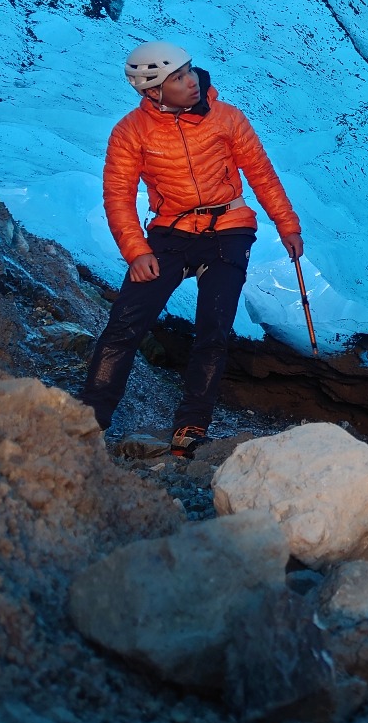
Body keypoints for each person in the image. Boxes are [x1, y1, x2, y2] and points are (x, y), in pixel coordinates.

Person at [78, 41, 304, 456]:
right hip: (171, 233)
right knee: (125, 323)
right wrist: (136, 252)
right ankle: (87, 425)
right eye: (178, 78)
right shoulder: (131, 132)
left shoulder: (227, 117)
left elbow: (260, 173)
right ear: (152, 92)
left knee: (213, 329)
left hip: (229, 227)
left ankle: (191, 428)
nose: (192, 81)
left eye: (190, 71)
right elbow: (118, 196)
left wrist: (288, 225)